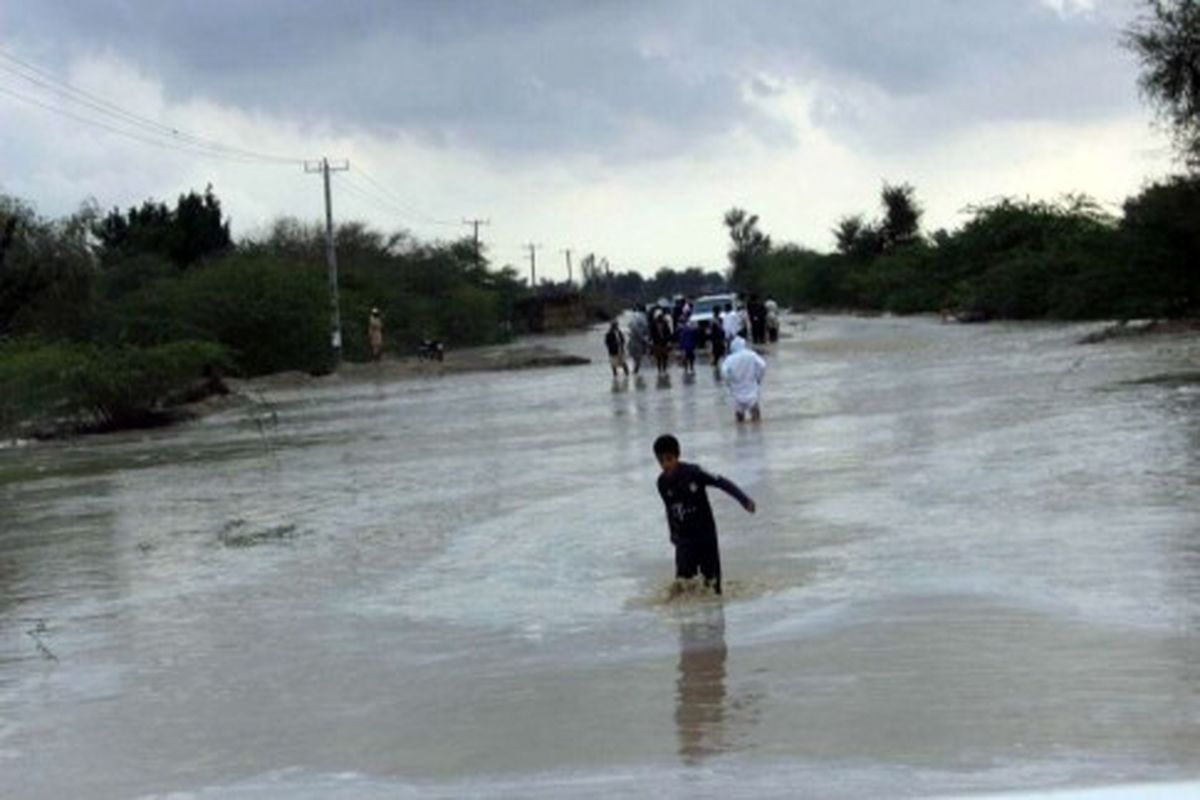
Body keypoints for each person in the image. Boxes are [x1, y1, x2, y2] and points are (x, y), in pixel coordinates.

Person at [654, 434, 755, 595]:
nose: (665, 465)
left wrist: (744, 500)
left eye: (669, 459)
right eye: (661, 461)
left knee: (713, 587)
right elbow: (669, 508)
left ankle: (715, 618)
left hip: (705, 536)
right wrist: (672, 533)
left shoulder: (694, 472)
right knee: (683, 588)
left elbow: (720, 481)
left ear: (677, 456)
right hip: (684, 540)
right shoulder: (661, 483)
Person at [720, 337, 767, 422]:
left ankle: (740, 433)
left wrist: (729, 383)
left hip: (736, 390)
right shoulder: (751, 355)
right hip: (751, 388)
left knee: (739, 417)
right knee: (755, 414)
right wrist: (758, 377)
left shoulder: (730, 359)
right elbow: (763, 365)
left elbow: (724, 372)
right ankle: (757, 433)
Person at [627, 307, 649, 374]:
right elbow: (645, 330)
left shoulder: (634, 318)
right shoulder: (642, 318)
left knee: (636, 360)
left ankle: (634, 374)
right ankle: (635, 374)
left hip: (633, 343)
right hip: (637, 344)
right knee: (638, 360)